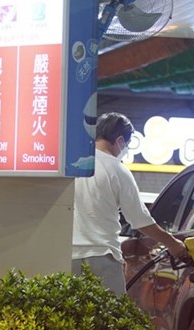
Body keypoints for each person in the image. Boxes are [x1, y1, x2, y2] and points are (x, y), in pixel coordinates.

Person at [72, 111, 187, 295]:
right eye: (127, 143)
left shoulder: (73, 164)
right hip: (102, 257)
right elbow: (140, 221)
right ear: (119, 141)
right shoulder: (117, 170)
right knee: (107, 319)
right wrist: (173, 243)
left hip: (67, 256)